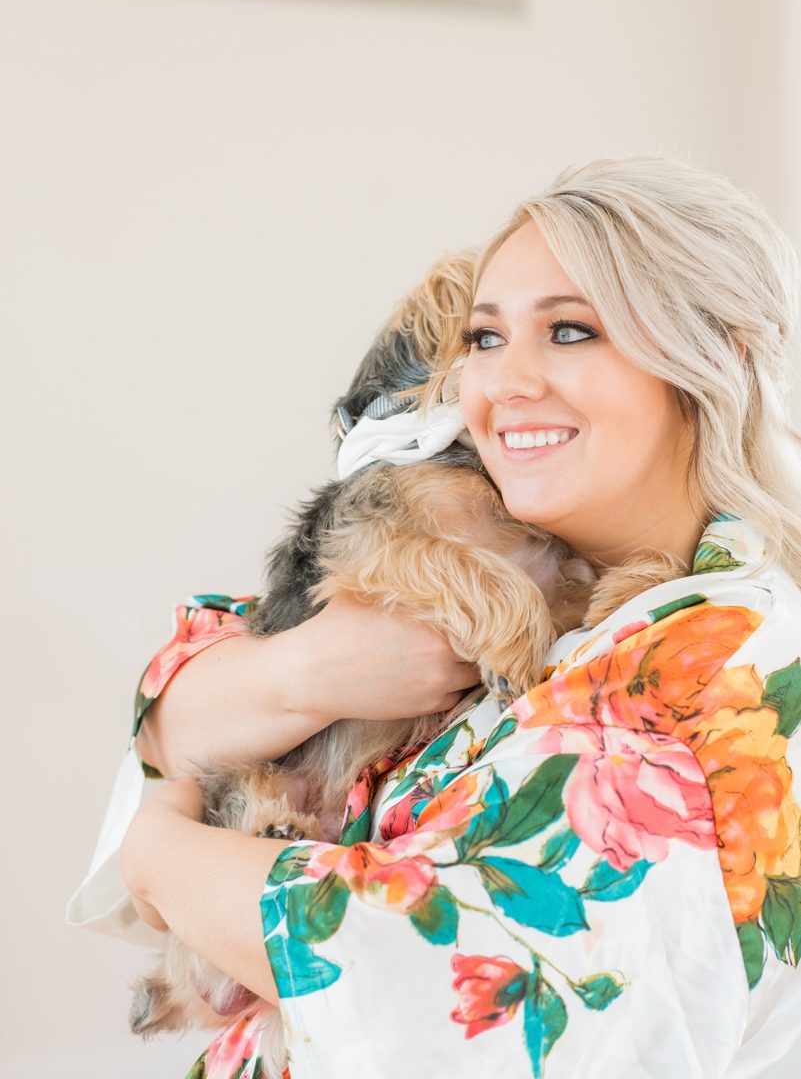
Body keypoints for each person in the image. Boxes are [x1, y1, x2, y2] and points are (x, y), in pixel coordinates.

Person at [119, 155, 801, 1079]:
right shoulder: (515, 562)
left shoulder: (713, 674)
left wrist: (162, 851)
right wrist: (297, 674)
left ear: (713, 353)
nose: (503, 382)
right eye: (483, 339)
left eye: (570, 331)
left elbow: (436, 988)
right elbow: (173, 706)